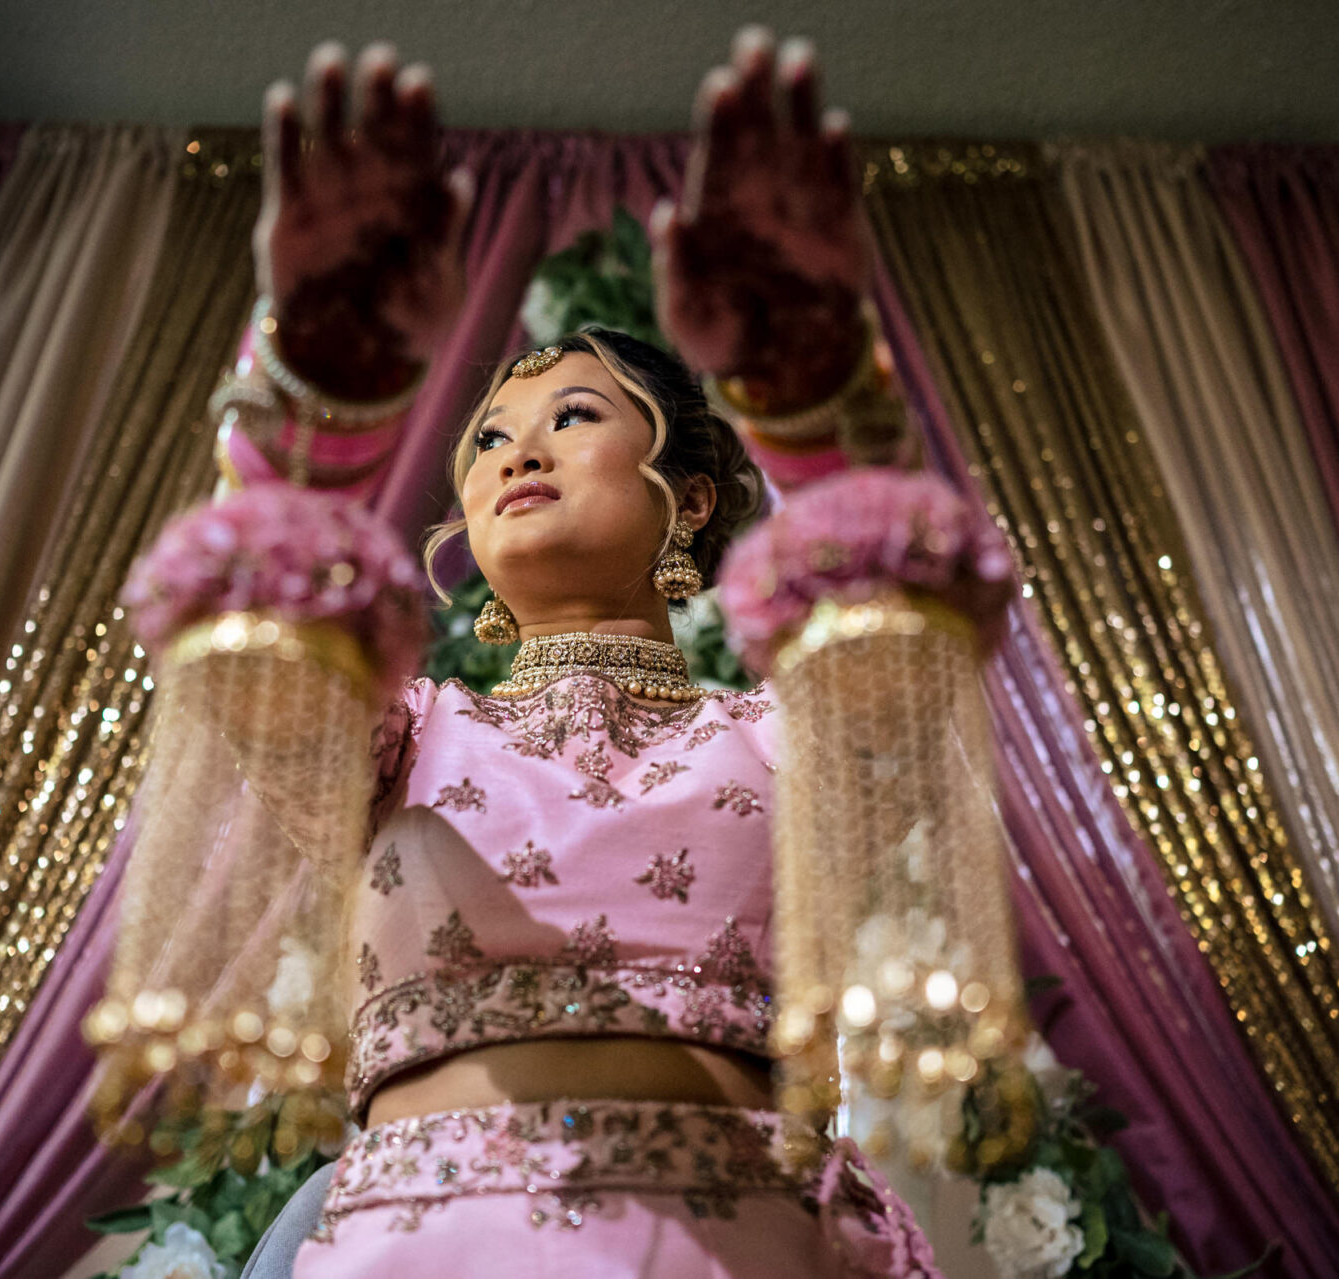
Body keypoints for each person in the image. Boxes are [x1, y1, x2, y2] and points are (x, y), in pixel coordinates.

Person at [193, 25, 950, 1278]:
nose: (515, 453)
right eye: (486, 438)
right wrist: (318, 389)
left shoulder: (774, 732)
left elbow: (906, 651)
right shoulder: (409, 726)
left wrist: (821, 405)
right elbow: (259, 660)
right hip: (422, 1252)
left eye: (574, 415)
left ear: (690, 498)